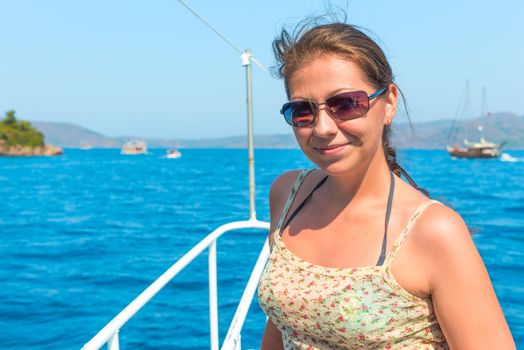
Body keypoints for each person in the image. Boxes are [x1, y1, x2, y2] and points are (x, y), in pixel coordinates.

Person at [257, 19, 515, 349]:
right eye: (302, 110)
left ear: (389, 102)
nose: (322, 127)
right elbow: (283, 323)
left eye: (345, 104)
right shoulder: (288, 195)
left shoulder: (433, 231)